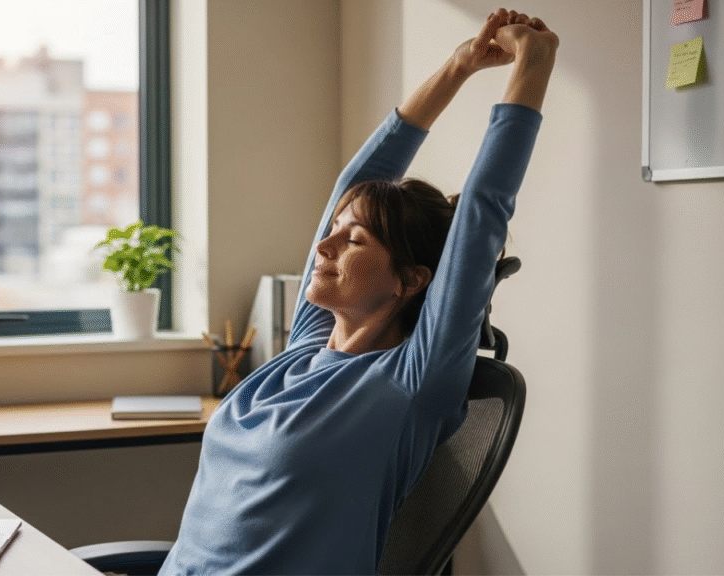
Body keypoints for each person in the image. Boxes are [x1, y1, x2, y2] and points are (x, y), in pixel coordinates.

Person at [159, 8, 559, 575]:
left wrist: (534, 64)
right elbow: (354, 182)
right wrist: (457, 66)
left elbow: (483, 210)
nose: (324, 248)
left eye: (355, 241)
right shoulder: (303, 350)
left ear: (412, 279)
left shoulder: (412, 381)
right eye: (331, 235)